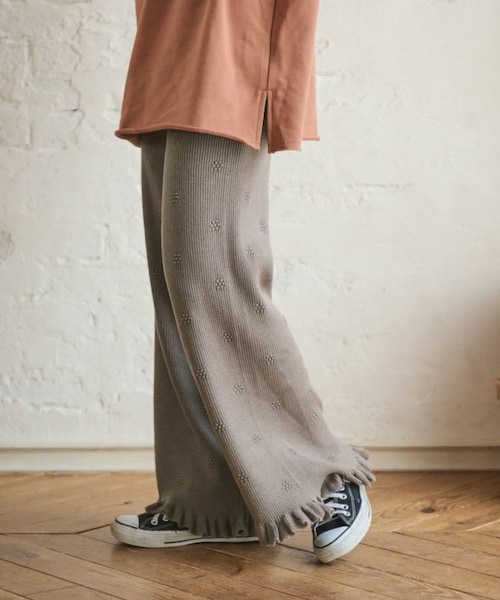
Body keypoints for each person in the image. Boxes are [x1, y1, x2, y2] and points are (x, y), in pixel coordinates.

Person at [110, 0, 375, 564]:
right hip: (168, 47)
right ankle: (212, 502)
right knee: (177, 288)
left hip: (230, 55)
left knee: (214, 276)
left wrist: (283, 88)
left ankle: (325, 475)